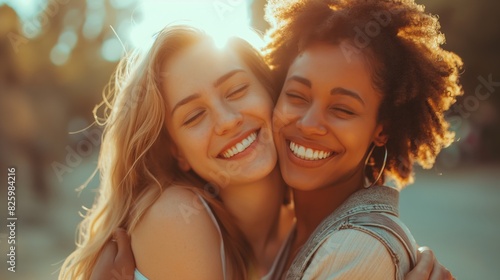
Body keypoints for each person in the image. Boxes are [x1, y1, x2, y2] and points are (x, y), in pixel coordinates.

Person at [59, 25, 295, 280]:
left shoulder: (311, 222)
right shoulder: (176, 217)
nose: (227, 120)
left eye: (236, 90)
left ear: (270, 91)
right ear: (178, 152)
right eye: (194, 116)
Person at [264, 0, 462, 278]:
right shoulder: (284, 229)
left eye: (342, 109)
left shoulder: (358, 248)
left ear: (381, 131)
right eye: (296, 96)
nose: (309, 124)